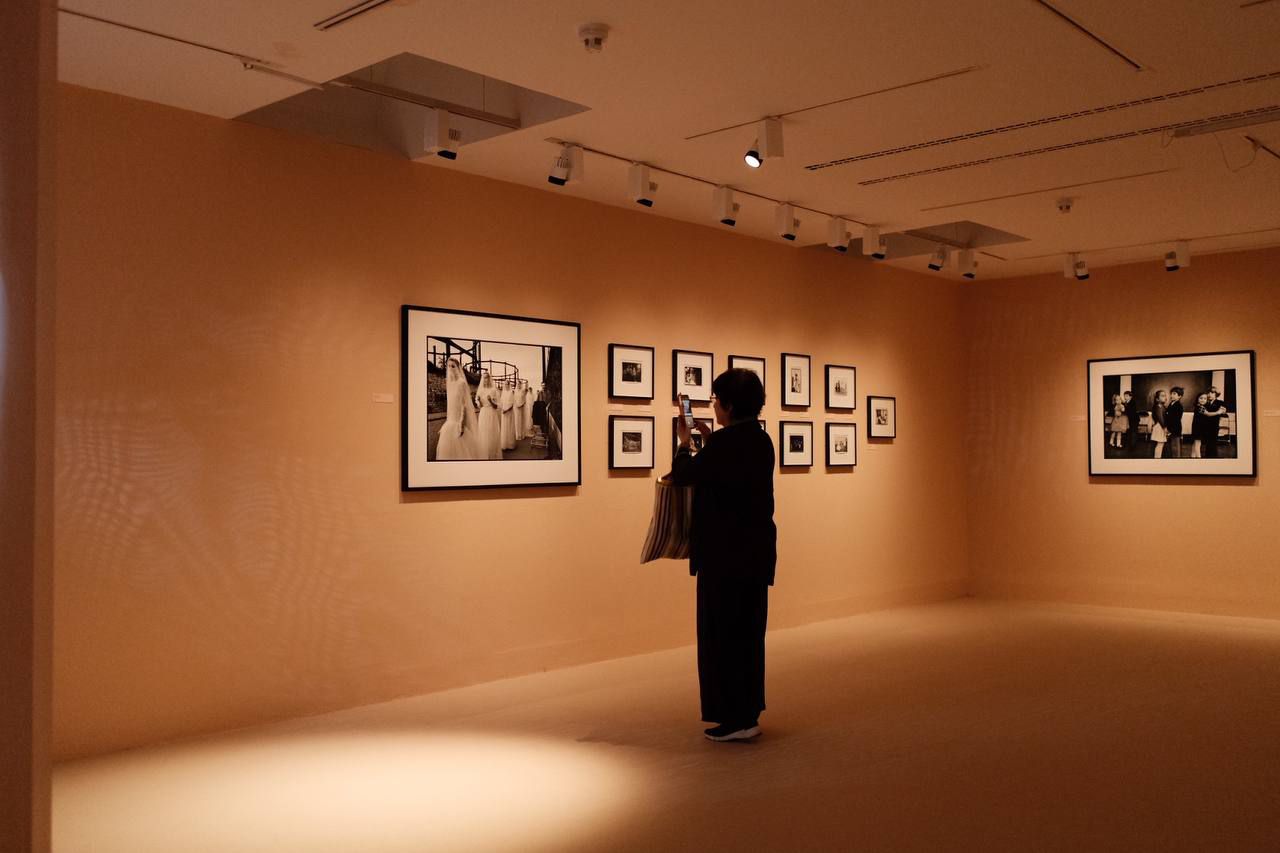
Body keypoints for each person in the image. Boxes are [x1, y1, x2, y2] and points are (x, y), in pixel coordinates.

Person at [670, 368, 776, 743]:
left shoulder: (726, 445)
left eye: (716, 399)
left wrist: (684, 442)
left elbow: (684, 474)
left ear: (729, 405)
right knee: (748, 635)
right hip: (754, 552)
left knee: (721, 637)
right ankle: (748, 713)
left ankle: (734, 719)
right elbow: (729, 471)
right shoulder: (760, 440)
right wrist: (711, 440)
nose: (713, 406)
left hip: (724, 556)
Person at [436, 357, 478, 460]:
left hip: (458, 421)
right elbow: (450, 405)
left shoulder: (461, 383)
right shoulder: (449, 383)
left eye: (453, 366)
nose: (451, 368)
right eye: (449, 366)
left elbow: (464, 404)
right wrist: (447, 420)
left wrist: (461, 423)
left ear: (458, 368)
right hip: (450, 421)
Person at [475, 373, 502, 460]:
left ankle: (492, 453)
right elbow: (480, 406)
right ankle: (484, 453)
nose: (485, 380)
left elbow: (497, 406)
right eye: (484, 378)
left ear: (489, 379)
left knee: (491, 433)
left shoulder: (493, 390)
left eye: (486, 378)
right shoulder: (480, 390)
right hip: (483, 413)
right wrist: (479, 401)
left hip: (491, 413)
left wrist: (490, 401)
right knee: (483, 433)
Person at [1202, 387, 1229, 458]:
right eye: (1209, 393)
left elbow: (1223, 411)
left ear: (1216, 394)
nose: (1209, 394)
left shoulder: (1220, 402)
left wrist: (1223, 411)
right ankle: (1207, 458)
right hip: (1205, 426)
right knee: (1207, 444)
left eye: (1212, 393)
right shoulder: (1206, 403)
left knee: (1213, 444)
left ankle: (1213, 458)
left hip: (1214, 426)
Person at [1165, 386, 1185, 459]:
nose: (1171, 395)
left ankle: (1177, 460)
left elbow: (1176, 419)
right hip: (1170, 428)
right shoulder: (1171, 403)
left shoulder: (1179, 406)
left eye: (1174, 394)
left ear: (1179, 396)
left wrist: (1170, 430)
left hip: (1175, 428)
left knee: (1175, 446)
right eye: (1171, 394)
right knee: (1171, 446)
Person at [1190, 392, 1210, 458]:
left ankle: (1192, 456)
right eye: (1201, 398)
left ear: (1207, 400)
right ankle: (1199, 457)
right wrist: (1218, 412)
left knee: (1195, 443)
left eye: (1205, 398)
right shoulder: (1199, 407)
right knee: (1198, 443)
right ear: (1197, 399)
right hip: (1198, 428)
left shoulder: (1201, 406)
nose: (1203, 400)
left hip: (1199, 427)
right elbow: (1208, 414)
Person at [1150, 389, 1168, 459]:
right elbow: (1160, 418)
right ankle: (1157, 459)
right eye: (1162, 396)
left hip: (1159, 426)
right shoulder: (1159, 406)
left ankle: (1157, 458)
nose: (1165, 397)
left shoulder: (1161, 406)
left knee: (1160, 444)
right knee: (1160, 444)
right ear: (1157, 399)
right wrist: (1164, 427)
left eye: (1165, 396)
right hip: (1159, 426)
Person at [500, 380, 516, 451]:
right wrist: (502, 409)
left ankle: (510, 444)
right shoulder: (503, 392)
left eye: (507, 384)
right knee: (504, 427)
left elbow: (512, 404)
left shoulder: (511, 392)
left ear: (509, 385)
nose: (506, 385)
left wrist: (506, 410)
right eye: (505, 384)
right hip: (503, 412)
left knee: (509, 427)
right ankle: (504, 444)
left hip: (509, 412)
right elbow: (501, 402)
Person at [514, 379, 527, 443]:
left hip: (521, 408)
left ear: (521, 385)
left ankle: (521, 434)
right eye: (518, 384)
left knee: (521, 420)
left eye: (519, 384)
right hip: (516, 408)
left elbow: (524, 400)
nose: (518, 385)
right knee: (516, 421)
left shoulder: (523, 391)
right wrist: (516, 405)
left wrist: (521, 405)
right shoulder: (515, 391)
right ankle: (517, 434)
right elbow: (514, 399)